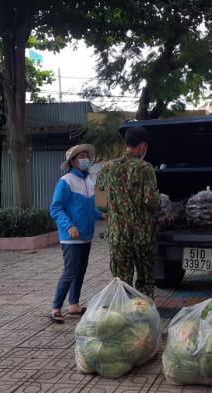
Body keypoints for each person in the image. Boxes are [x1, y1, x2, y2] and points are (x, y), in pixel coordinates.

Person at [98, 126, 160, 297]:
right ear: (142, 146)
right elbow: (151, 200)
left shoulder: (107, 168)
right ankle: (144, 316)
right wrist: (161, 199)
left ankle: (124, 317)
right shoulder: (145, 168)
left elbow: (101, 196)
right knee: (145, 280)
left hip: (118, 236)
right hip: (142, 236)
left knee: (121, 281)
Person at [48, 144, 104, 323]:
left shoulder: (88, 182)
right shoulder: (66, 181)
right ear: (72, 161)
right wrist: (69, 225)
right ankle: (56, 307)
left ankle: (73, 305)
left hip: (86, 235)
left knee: (80, 271)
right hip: (71, 237)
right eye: (81, 156)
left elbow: (88, 208)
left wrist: (101, 214)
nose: (85, 159)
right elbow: (56, 208)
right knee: (70, 271)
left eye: (87, 155)